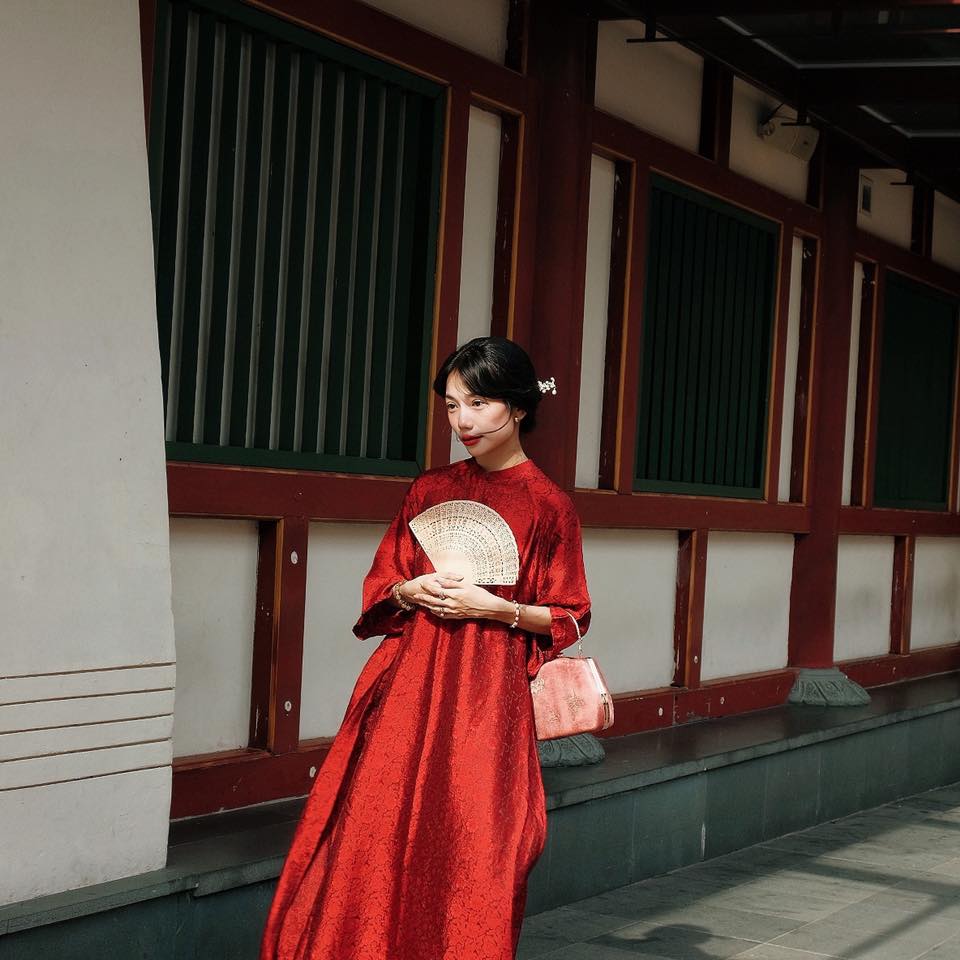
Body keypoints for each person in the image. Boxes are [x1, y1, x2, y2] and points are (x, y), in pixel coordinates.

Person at [259, 335, 592, 960]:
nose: (461, 420)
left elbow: (571, 614)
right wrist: (411, 588)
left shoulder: (550, 507)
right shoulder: (430, 489)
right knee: (373, 832)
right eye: (450, 405)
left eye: (478, 402)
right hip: (407, 683)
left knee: (478, 845)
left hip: (486, 698)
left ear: (518, 407)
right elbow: (382, 585)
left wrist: (498, 608)